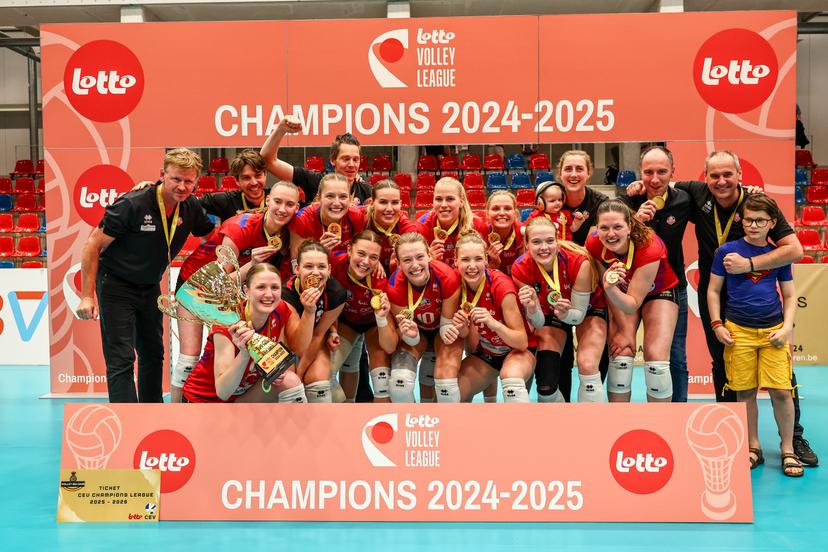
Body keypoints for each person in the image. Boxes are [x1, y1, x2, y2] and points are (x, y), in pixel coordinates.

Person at [627, 150, 816, 465]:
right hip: (713, 292)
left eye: (728, 174)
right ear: (705, 178)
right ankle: (732, 431)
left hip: (756, 294)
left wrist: (750, 264)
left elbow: (794, 249)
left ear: (740, 175)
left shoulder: (756, 204)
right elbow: (662, 182)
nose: (721, 181)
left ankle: (794, 437)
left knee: (781, 370)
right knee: (721, 362)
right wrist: (637, 185)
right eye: (714, 175)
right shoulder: (696, 192)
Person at [76, 148, 215, 403]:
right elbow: (92, 246)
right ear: (163, 175)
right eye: (176, 179)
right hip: (115, 284)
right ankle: (128, 419)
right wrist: (87, 296)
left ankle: (152, 413)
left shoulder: (191, 207)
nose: (182, 186)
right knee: (121, 357)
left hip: (150, 286)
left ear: (196, 181)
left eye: (188, 181)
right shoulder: (133, 203)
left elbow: (213, 238)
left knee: (153, 353)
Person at [169, 181, 300, 402]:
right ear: (268, 201)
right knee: (189, 359)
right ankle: (177, 416)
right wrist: (251, 264)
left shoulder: (290, 233)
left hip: (241, 291)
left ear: (297, 208)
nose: (282, 209)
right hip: (199, 287)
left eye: (289, 204)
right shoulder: (242, 227)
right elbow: (216, 285)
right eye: (277, 202)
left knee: (249, 355)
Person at [707, 194, 802, 477]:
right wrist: (717, 324)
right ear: (741, 220)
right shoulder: (726, 252)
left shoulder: (778, 254)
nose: (753, 225)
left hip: (773, 330)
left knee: (781, 392)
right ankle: (752, 446)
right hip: (738, 332)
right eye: (748, 219)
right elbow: (713, 290)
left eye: (760, 220)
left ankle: (788, 449)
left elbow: (789, 294)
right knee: (745, 391)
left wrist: (787, 328)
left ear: (772, 223)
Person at [182, 263, 315, 403]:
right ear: (246, 290)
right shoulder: (228, 322)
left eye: (274, 287)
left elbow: (291, 350)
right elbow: (223, 391)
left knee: (289, 380)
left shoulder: (280, 309)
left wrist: (274, 372)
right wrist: (244, 354)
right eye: (261, 287)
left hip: (241, 396)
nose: (269, 294)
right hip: (205, 401)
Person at [586, 200, 678, 403]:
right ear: (597, 229)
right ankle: (620, 423)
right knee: (621, 354)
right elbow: (609, 289)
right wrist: (625, 332)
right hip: (620, 292)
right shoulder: (593, 244)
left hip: (658, 291)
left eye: (618, 227)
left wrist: (610, 287)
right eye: (604, 228)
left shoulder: (650, 247)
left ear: (629, 226)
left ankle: (660, 427)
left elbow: (633, 302)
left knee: (656, 359)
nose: (611, 234)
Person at [620, 145, 692, 402]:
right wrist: (634, 221)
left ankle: (678, 415)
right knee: (621, 352)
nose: (655, 179)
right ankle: (615, 419)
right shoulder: (626, 202)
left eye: (662, 171)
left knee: (675, 356)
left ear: (673, 171)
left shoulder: (684, 199)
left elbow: (718, 196)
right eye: (648, 172)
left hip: (671, 287)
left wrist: (749, 191)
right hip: (630, 288)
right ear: (640, 173)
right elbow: (607, 238)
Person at [512, 217, 606, 402]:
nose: (544, 247)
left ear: (557, 240)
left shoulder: (578, 261)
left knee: (587, 366)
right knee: (546, 384)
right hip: (550, 314)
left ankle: (591, 425)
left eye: (549, 241)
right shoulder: (520, 268)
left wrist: (565, 314)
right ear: (526, 243)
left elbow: (578, 317)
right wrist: (532, 309)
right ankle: (557, 424)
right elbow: (538, 322)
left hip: (588, 309)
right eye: (536, 242)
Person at [555, 150, 610, 401]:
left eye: (579, 169)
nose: (574, 174)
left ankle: (591, 405)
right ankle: (564, 408)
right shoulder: (551, 200)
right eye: (568, 169)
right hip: (559, 289)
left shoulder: (601, 204)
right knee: (561, 356)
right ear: (560, 173)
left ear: (589, 172)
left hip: (595, 289)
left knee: (597, 354)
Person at [453, 234, 534, 403]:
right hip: (489, 352)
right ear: (456, 261)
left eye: (478, 259)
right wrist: (462, 328)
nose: (472, 266)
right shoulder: (455, 283)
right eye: (465, 260)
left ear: (486, 261)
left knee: (511, 382)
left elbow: (521, 342)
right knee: (452, 394)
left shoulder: (500, 285)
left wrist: (493, 323)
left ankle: (521, 429)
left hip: (518, 351)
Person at [386, 232, 463, 402]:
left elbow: (446, 324)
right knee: (399, 384)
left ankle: (444, 426)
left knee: (446, 387)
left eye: (420, 257)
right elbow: (410, 338)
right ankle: (414, 425)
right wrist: (411, 335)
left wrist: (448, 331)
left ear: (429, 255)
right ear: (398, 264)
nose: (415, 265)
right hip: (417, 332)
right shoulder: (394, 288)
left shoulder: (447, 277)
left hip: (443, 330)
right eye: (407, 260)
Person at [329, 231, 398, 402]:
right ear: (349, 250)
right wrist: (331, 330)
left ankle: (384, 423)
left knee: (382, 381)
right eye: (361, 253)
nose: (366, 262)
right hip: (347, 323)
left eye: (373, 257)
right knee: (326, 375)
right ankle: (348, 414)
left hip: (374, 324)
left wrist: (382, 318)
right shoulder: (334, 263)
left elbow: (389, 345)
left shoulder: (382, 282)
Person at [281, 240, 347, 402]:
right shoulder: (285, 294)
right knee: (288, 382)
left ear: (330, 270)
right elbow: (295, 344)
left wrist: (332, 330)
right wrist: (296, 378)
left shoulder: (336, 292)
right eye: (309, 266)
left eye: (321, 267)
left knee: (318, 383)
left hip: (315, 338)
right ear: (297, 269)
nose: (315, 273)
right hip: (286, 342)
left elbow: (318, 334)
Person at [260, 116, 372, 205]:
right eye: (345, 159)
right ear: (333, 160)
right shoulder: (315, 181)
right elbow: (268, 161)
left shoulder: (366, 191)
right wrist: (281, 129)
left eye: (356, 159)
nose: (352, 165)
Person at [415, 176, 488, 268]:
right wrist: (429, 260)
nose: (444, 205)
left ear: (461, 201)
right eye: (438, 199)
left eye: (450, 199)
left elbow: (485, 266)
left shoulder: (477, 225)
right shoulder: (421, 226)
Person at [289, 173, 366, 258]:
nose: (337, 203)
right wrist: (319, 253)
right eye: (330, 196)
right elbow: (296, 263)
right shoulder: (303, 219)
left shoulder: (357, 216)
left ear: (350, 199)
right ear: (319, 199)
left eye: (343, 197)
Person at [199, 149, 270, 219]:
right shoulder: (227, 201)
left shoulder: (276, 198)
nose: (254, 182)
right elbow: (192, 202)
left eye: (258, 175)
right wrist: (207, 227)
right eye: (246, 178)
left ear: (265, 175)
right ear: (237, 180)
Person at [483, 190, 525, 276]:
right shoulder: (481, 234)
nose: (502, 213)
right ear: (487, 214)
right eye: (495, 209)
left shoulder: (524, 234)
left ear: (516, 214)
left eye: (507, 208)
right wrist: (490, 267)